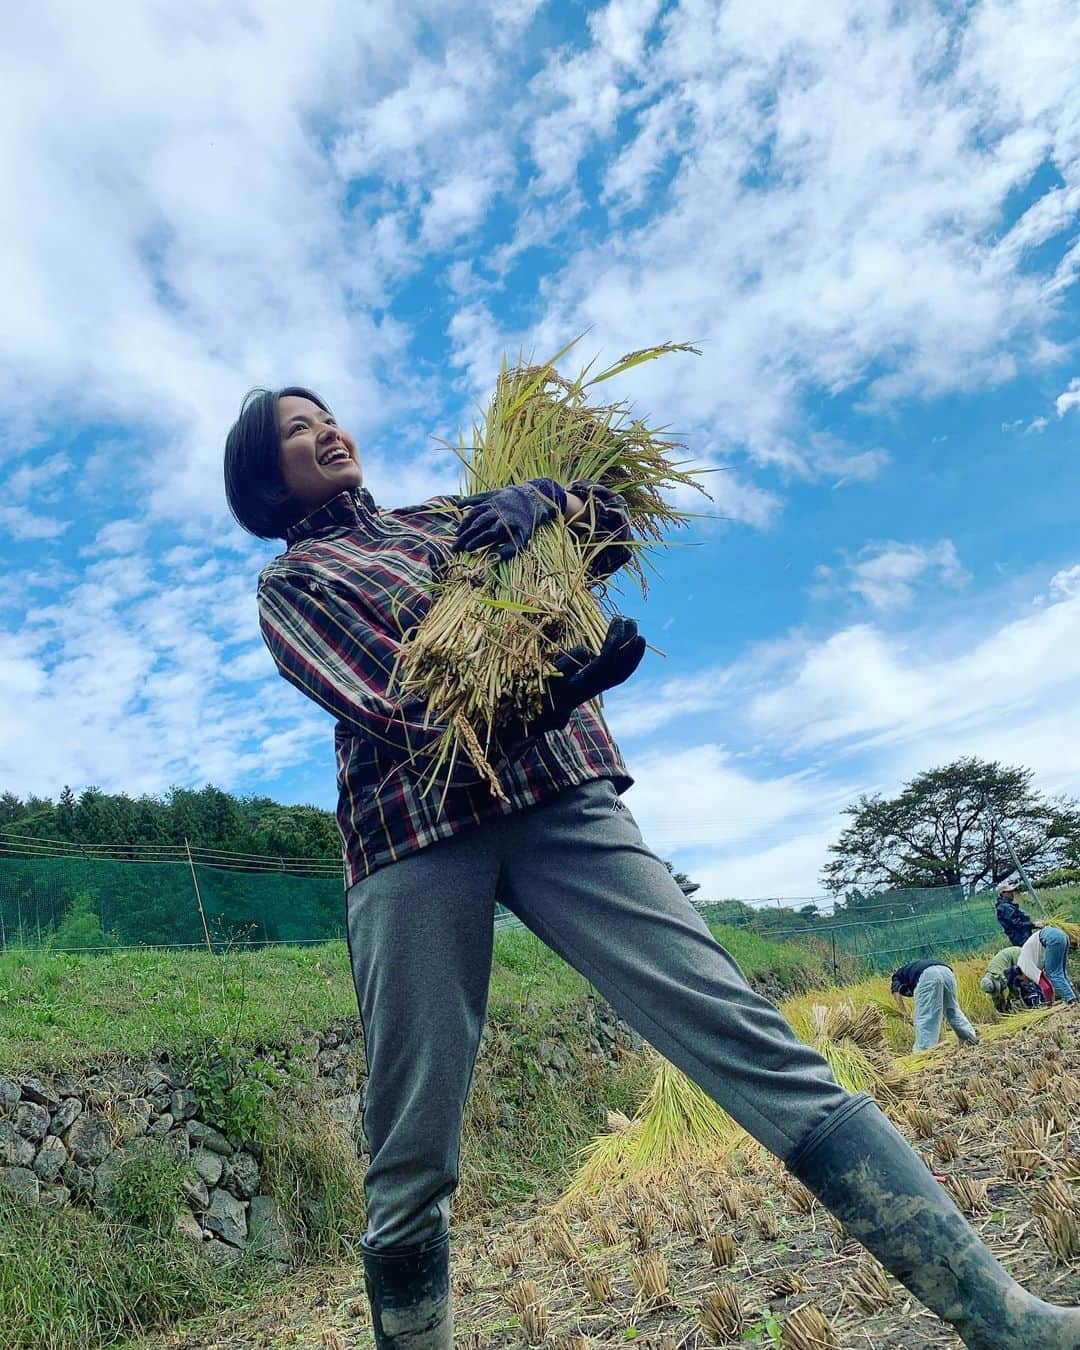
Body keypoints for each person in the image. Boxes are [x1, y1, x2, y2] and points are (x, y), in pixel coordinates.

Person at [224, 386, 1080, 1349]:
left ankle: (1001, 1317)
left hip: (559, 797)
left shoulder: (445, 518)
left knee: (752, 1039)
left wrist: (549, 498)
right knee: (414, 1138)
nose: (325, 431)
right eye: (297, 431)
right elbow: (401, 705)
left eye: (326, 415)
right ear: (265, 479)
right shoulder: (295, 585)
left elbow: (603, 543)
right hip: (414, 835)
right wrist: (556, 686)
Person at [890, 959, 979, 1051]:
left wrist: (903, 1011)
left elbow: (896, 992)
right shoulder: (911, 969)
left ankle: (925, 1051)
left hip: (927, 976)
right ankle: (970, 1038)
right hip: (946, 971)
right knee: (952, 1010)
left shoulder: (897, 976)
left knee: (925, 1017)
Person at [1016, 925, 1078, 1006]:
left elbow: (1046, 988)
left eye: (1023, 983)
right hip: (1061, 935)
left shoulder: (1025, 969)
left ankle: (1072, 1001)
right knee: (1061, 973)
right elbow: (1048, 984)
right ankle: (1076, 997)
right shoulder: (1023, 963)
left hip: (1051, 938)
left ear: (1019, 977)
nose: (1026, 984)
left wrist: (1048, 1005)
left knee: (1053, 973)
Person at [978, 946, 1043, 1013]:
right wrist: (1002, 1011)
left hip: (1017, 956)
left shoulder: (1000, 976)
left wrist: (1011, 998)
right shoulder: (991, 979)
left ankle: (1038, 1004)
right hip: (1012, 966)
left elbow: (1013, 987)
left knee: (1026, 984)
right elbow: (997, 998)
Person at [995, 880, 1038, 946]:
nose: (1012, 893)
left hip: (1022, 937)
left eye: (1012, 891)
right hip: (1020, 938)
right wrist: (1033, 925)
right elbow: (1017, 924)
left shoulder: (1008, 905)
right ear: (1003, 893)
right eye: (1009, 892)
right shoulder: (1005, 907)